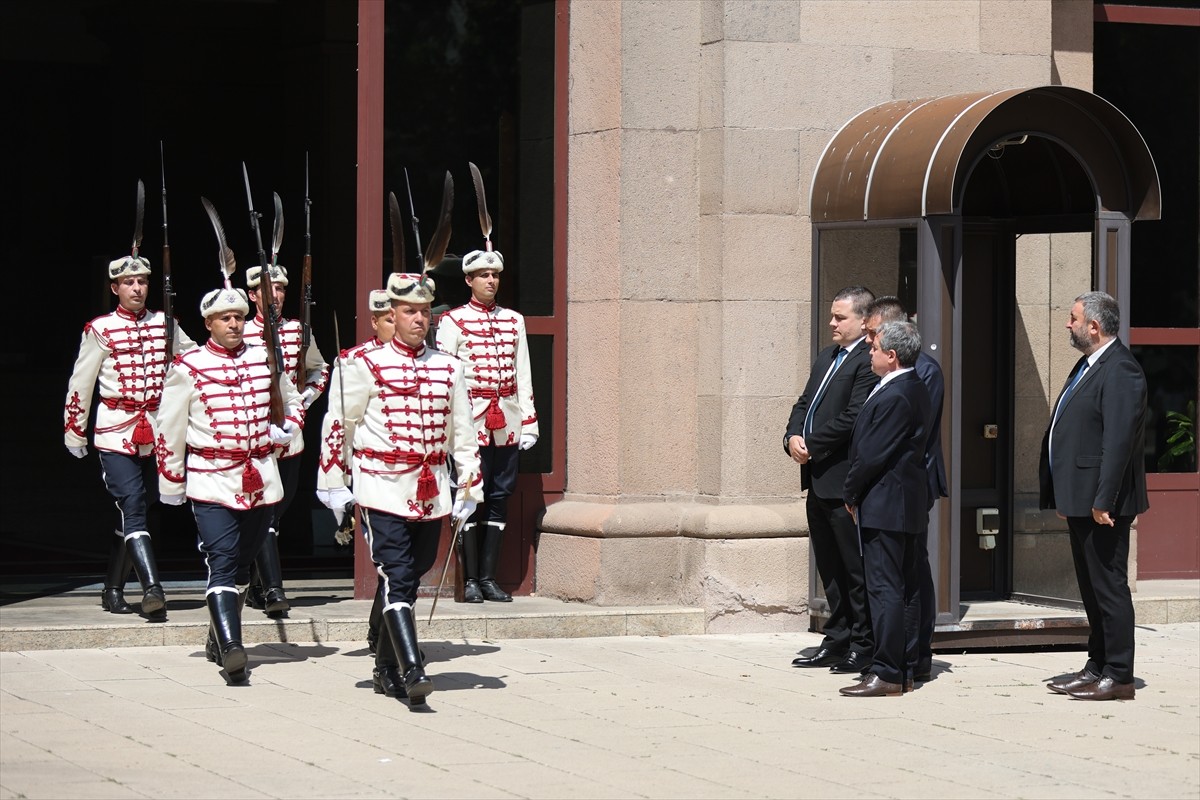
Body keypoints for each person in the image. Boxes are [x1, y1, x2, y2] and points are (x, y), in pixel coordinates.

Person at [317, 273, 482, 707]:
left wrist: (469, 487)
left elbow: (463, 433)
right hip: (380, 485)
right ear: (391, 314)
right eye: (409, 311)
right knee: (398, 574)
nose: (419, 319)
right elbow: (339, 424)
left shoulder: (449, 366)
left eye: (425, 311)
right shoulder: (359, 364)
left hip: (430, 488)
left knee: (417, 569)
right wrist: (333, 482)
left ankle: (385, 667)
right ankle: (412, 670)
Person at [156, 283, 301, 682]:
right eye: (225, 318)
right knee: (221, 560)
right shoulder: (188, 367)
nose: (234, 324)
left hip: (261, 478)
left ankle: (217, 636)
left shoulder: (265, 358)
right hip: (212, 479)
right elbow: (169, 428)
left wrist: (288, 427)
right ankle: (234, 648)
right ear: (209, 324)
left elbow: (292, 401)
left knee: (242, 564)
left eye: (238, 317)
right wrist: (171, 482)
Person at [64, 253, 197, 618]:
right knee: (134, 505)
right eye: (128, 283)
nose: (137, 288)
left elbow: (195, 363)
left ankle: (112, 589)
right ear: (115, 288)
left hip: (157, 430)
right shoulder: (101, 329)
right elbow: (81, 382)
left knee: (137, 510)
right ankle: (153, 588)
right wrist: (75, 431)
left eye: (142, 282)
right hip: (116, 430)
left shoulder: (166, 323)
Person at [1039, 291, 1147, 701]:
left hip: (1104, 503)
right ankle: (1097, 664)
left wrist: (1104, 499)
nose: (1069, 324)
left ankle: (1118, 674)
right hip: (1082, 498)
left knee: (1108, 587)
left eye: (1074, 318)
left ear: (1094, 326)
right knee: (1091, 587)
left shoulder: (1121, 370)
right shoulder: (1089, 364)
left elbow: (1118, 443)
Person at [434, 247, 538, 603]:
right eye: (483, 275)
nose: (491, 281)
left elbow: (523, 372)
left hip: (506, 420)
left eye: (494, 275)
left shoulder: (514, 320)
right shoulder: (453, 321)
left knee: (499, 497)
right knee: (469, 496)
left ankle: (489, 578)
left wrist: (529, 422)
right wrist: (449, 428)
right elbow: (446, 377)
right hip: (470, 420)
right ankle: (469, 580)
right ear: (469, 280)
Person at [784, 286, 878, 673]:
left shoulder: (866, 360)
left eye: (840, 317)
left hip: (843, 481)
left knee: (854, 570)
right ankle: (837, 638)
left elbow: (854, 416)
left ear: (864, 321)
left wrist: (813, 444)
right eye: (832, 315)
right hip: (817, 480)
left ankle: (863, 644)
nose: (832, 323)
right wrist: (792, 437)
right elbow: (804, 403)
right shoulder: (827, 357)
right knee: (830, 568)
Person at [840, 321, 931, 697]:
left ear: (891, 356)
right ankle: (903, 666)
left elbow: (872, 454)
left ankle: (888, 670)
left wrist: (850, 492)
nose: (870, 352)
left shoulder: (898, 393)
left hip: (886, 504)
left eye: (875, 348)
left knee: (886, 588)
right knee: (904, 588)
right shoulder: (909, 386)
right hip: (901, 503)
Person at [863, 297, 947, 683]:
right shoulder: (887, 372)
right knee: (898, 579)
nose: (869, 343)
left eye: (874, 334)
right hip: (891, 490)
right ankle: (900, 659)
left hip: (904, 489)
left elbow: (904, 440)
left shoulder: (918, 374)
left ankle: (909, 659)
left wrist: (853, 489)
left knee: (906, 578)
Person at [243, 264, 329, 617]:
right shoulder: (240, 331)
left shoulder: (298, 330)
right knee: (263, 513)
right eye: (268, 289)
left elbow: (319, 369)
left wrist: (304, 400)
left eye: (280, 289)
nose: (275, 295)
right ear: (253, 295)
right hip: (252, 437)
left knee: (277, 510)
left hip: (290, 437)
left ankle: (254, 586)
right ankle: (273, 590)